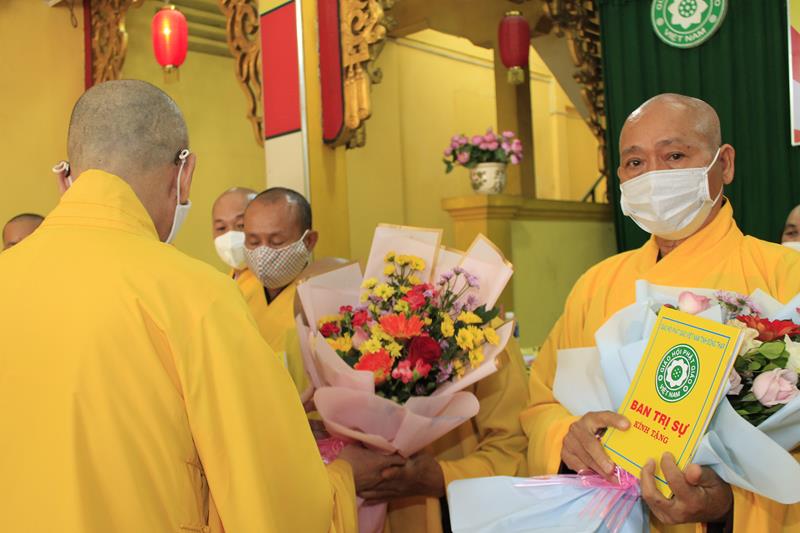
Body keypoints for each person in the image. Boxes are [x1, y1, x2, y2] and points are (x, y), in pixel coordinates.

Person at [0, 79, 402, 533]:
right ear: (184, 173)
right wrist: (343, 478)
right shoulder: (195, 295)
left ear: (65, 178)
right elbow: (270, 500)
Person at [521, 93, 800, 532]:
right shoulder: (597, 283)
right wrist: (566, 438)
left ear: (725, 164)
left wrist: (727, 503)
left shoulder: (785, 276)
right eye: (635, 162)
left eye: (674, 156)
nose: (652, 176)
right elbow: (539, 404)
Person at [361, 338, 530, 533]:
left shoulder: (487, 338)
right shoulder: (348, 334)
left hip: (460, 514)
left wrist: (443, 476)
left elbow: (513, 449)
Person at [239, 187, 318, 395]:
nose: (263, 253)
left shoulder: (324, 297)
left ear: (309, 241)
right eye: (253, 242)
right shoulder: (237, 289)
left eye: (276, 242)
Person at [211, 187, 256, 278]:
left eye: (241, 225)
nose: (231, 236)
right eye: (221, 228)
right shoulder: (229, 280)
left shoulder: (271, 283)